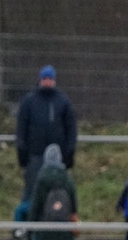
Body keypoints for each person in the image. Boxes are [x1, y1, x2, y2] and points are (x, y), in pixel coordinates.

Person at [15, 64, 78, 205]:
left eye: (50, 79)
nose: (47, 82)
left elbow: (71, 129)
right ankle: (27, 218)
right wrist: (22, 153)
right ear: (40, 80)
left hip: (58, 159)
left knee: (57, 193)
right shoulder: (29, 102)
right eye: (45, 79)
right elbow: (21, 128)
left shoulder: (63, 102)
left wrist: (69, 154)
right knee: (31, 192)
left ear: (54, 80)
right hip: (35, 156)